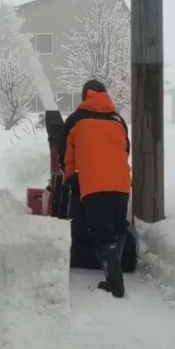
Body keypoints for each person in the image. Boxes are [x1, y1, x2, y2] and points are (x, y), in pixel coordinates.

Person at [59, 79, 131, 297]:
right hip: (121, 185)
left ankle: (115, 285)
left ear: (84, 96)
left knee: (101, 235)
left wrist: (70, 178)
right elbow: (124, 150)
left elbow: (66, 155)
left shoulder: (76, 119)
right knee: (118, 228)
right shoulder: (118, 119)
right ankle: (115, 264)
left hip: (94, 187)